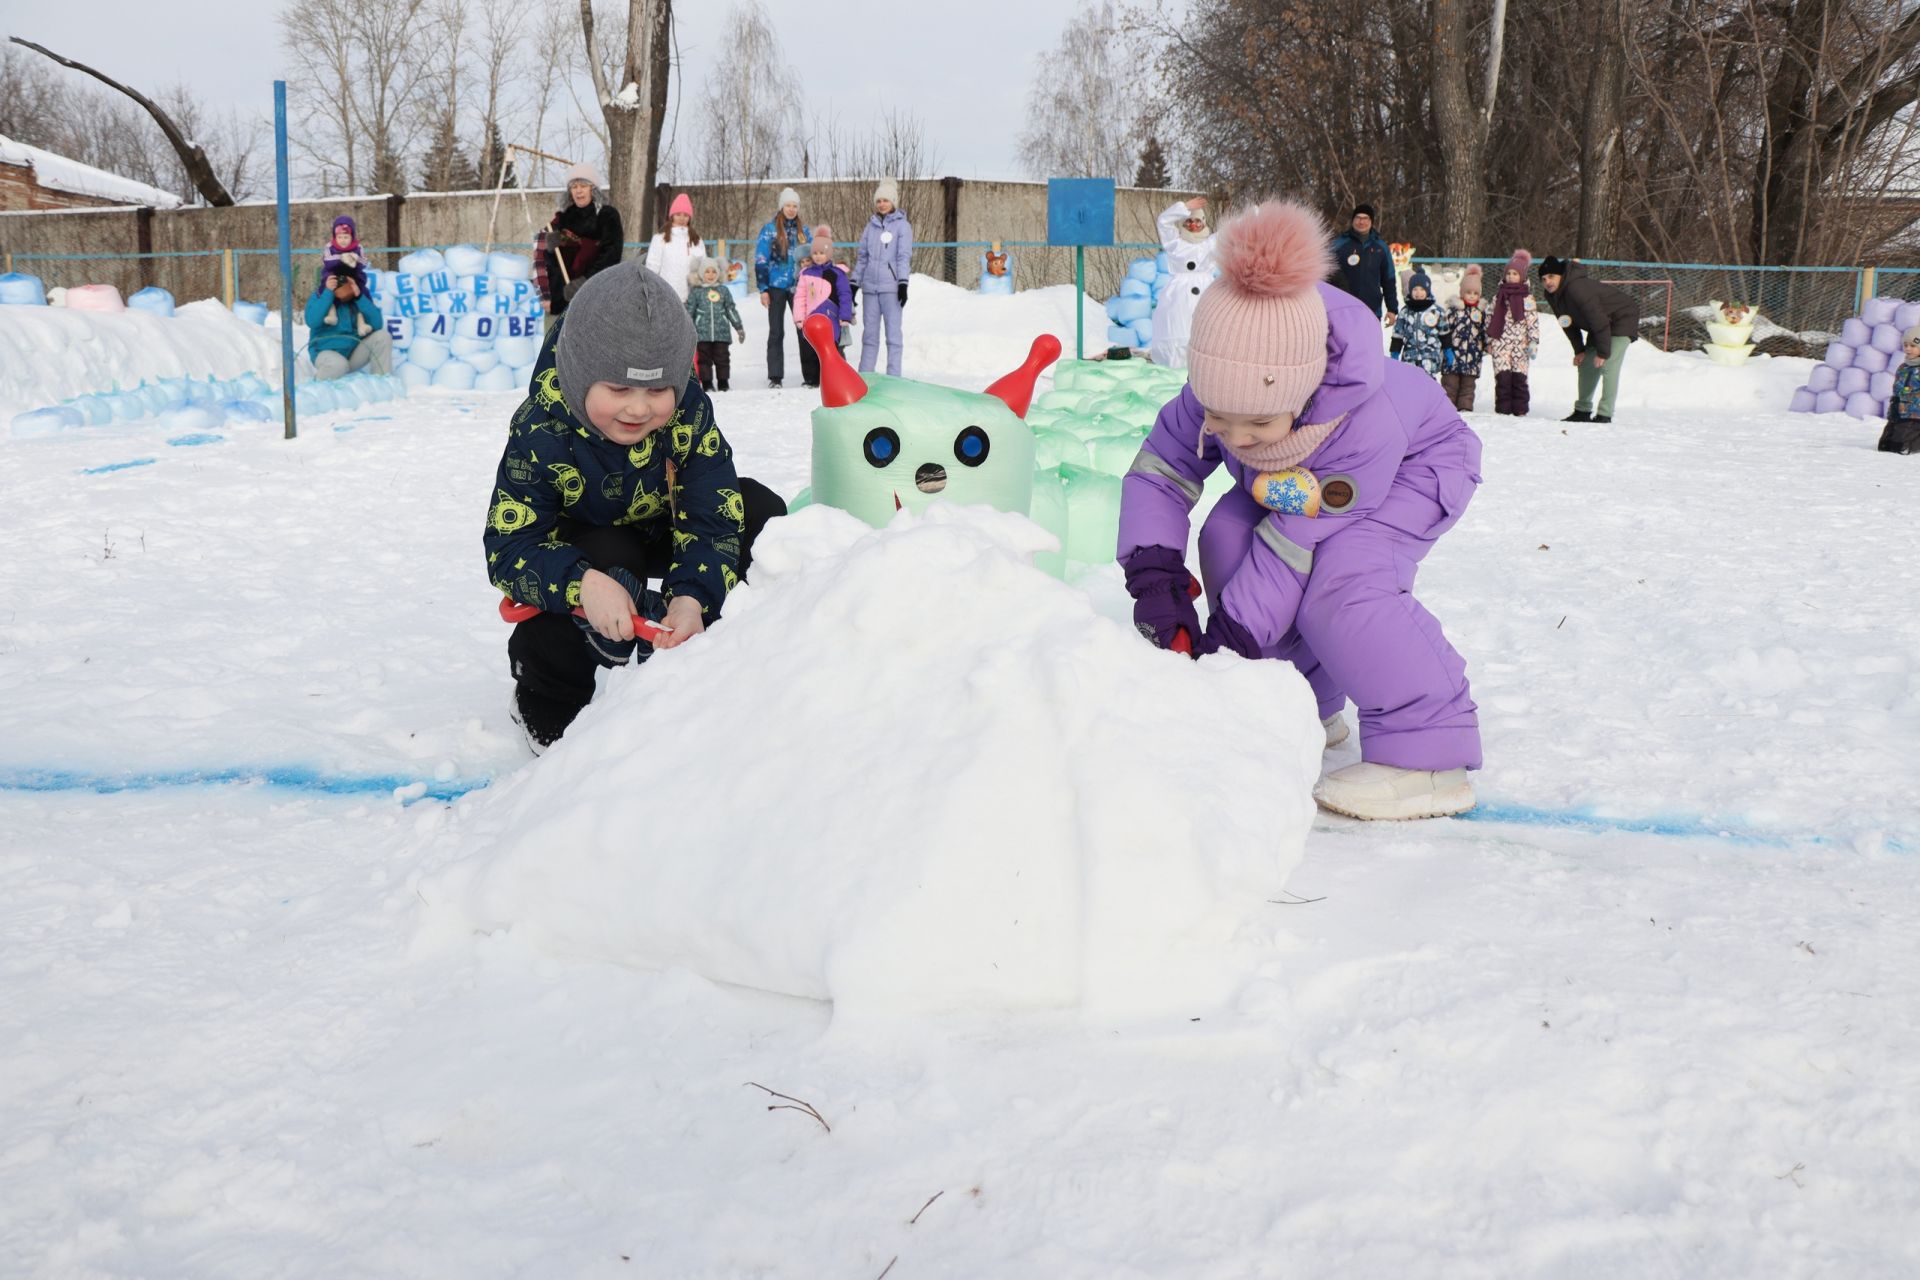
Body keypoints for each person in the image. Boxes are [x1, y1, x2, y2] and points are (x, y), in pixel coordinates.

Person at [1117, 199, 1482, 820]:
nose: (1234, 437)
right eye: (1218, 418)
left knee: (1344, 578)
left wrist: (1230, 643)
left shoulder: (1359, 415)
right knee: (1229, 535)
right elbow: (1162, 467)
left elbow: (1294, 539)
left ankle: (1429, 751)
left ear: (1300, 390)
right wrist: (1154, 574)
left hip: (1409, 468)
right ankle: (1301, 701)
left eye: (1257, 422)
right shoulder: (1224, 387)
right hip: (1291, 485)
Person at [486, 261, 788, 753]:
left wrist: (693, 594)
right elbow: (510, 545)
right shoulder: (541, 428)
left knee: (756, 507)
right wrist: (582, 585)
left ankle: (738, 658)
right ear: (580, 374)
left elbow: (713, 512)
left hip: (663, 524)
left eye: (656, 389)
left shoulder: (687, 408)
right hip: (589, 547)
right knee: (611, 553)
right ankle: (548, 691)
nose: (638, 408)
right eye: (619, 388)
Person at [1539, 256, 1639, 422]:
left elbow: (1599, 320)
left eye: (1551, 277)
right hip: (1601, 324)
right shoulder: (1553, 295)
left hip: (1622, 317)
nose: (1547, 282)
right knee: (1586, 364)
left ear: (1561, 276)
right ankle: (1582, 411)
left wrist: (1603, 352)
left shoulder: (1576, 288)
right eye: (1543, 279)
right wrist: (1579, 351)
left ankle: (1605, 414)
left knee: (1608, 363)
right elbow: (1567, 323)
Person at [542, 162, 624, 327]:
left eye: (583, 185)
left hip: (598, 295)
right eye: (574, 186)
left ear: (592, 189)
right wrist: (551, 250)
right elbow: (554, 265)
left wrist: (585, 282)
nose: (578, 190)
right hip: (567, 299)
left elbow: (611, 254)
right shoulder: (563, 219)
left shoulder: (607, 215)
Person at [854, 178, 913, 377]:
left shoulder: (902, 226)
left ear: (893, 202)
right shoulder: (870, 227)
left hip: (891, 289)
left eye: (886, 200)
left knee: (893, 336)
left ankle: (893, 378)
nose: (882, 204)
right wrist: (855, 283)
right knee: (869, 336)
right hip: (870, 289)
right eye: (879, 201)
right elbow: (862, 257)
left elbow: (903, 256)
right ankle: (865, 377)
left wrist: (903, 283)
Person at [1149, 196, 1216, 367]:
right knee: (1178, 326)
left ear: (1203, 223)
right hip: (1178, 294)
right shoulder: (1175, 244)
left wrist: (1257, 214)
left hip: (1206, 291)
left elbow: (1236, 228)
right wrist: (1184, 207)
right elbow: (1164, 221)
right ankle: (1175, 364)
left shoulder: (1211, 243)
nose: (1193, 225)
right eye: (1189, 222)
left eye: (1197, 221)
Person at [754, 187, 811, 388]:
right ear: (782, 206)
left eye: (795, 206)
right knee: (776, 331)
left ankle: (811, 376)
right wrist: (763, 288)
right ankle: (775, 377)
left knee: (804, 330)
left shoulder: (804, 231)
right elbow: (761, 259)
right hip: (776, 286)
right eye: (788, 205)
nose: (791, 209)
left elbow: (812, 256)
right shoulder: (769, 229)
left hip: (799, 287)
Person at [303, 268, 391, 379]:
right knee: (338, 364)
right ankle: (319, 389)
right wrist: (328, 292)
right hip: (325, 353)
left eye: (346, 280)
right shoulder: (320, 296)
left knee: (382, 337)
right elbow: (312, 321)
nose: (342, 283)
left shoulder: (358, 300)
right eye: (338, 280)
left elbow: (377, 324)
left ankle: (382, 384)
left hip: (352, 354)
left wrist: (359, 296)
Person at [794, 226, 854, 387]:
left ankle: (837, 378)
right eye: (815, 253)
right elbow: (800, 297)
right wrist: (799, 318)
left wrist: (845, 316)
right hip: (811, 319)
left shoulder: (837, 273)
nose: (818, 256)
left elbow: (845, 295)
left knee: (833, 350)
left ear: (828, 254)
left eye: (822, 253)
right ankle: (812, 380)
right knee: (810, 350)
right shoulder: (806, 274)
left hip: (832, 319)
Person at [1486, 250, 1540, 416]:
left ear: (1522, 276)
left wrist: (1533, 341)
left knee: (1519, 378)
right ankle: (1503, 410)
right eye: (1508, 273)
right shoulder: (1498, 297)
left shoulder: (1527, 299)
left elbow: (1532, 322)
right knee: (1502, 378)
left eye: (1515, 274)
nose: (1510, 276)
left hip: (1521, 345)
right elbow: (1489, 318)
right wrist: (1488, 340)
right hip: (1500, 343)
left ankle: (1520, 409)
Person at [1329, 203, 1398, 331]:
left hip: (1371, 309)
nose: (1361, 222)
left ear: (1371, 222)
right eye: (1358, 218)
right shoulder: (1338, 245)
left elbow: (1388, 280)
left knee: (1368, 348)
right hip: (1343, 309)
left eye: (1365, 218)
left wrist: (1392, 308)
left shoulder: (1381, 247)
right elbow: (1326, 275)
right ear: (1353, 220)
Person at [685, 256, 745, 393]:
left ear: (718, 273)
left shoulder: (723, 291)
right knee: (704, 360)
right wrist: (687, 330)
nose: (711, 275)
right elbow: (689, 312)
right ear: (701, 274)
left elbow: (731, 309)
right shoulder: (696, 292)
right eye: (707, 272)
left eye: (713, 271)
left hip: (721, 333)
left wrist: (739, 327)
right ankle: (707, 384)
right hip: (702, 334)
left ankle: (723, 383)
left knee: (722, 359)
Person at [1440, 263, 1489, 412]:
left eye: (1475, 293)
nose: (1472, 296)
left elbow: (1484, 331)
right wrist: (1445, 347)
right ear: (1462, 293)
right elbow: (1445, 329)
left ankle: (1465, 408)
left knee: (1468, 386)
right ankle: (1447, 408)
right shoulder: (1454, 311)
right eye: (1469, 293)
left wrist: (1487, 345)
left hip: (1472, 357)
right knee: (1450, 384)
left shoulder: (1481, 313)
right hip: (1453, 356)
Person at [644, 192, 702, 302]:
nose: (682, 218)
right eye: (678, 214)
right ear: (672, 216)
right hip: (666, 296)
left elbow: (703, 267)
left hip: (691, 298)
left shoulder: (696, 240)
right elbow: (652, 267)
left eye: (685, 215)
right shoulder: (659, 239)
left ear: (689, 218)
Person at [1391, 268, 1445, 379]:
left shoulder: (1436, 311)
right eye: (1415, 289)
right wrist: (1395, 352)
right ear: (1410, 290)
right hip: (1410, 357)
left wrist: (1447, 350)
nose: (1418, 293)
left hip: (1430, 358)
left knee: (1428, 387)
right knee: (1410, 387)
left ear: (1428, 290)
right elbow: (1398, 334)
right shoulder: (1405, 311)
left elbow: (1445, 333)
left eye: (1422, 289)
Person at [1879, 325, 1920, 454]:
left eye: (1913, 346)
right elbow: (1897, 388)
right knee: (1884, 446)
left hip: (1915, 415)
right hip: (1899, 412)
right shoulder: (1903, 367)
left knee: (1900, 448)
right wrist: (1895, 405)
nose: (1908, 349)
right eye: (1906, 345)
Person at [320, 215, 369, 296]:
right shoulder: (329, 246)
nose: (342, 240)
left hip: (352, 273)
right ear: (335, 237)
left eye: (346, 237)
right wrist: (342, 258)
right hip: (334, 272)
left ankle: (361, 297)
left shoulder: (358, 247)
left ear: (351, 237)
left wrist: (356, 258)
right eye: (339, 237)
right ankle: (326, 299)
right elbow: (327, 261)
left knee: (362, 280)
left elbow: (364, 262)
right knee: (326, 279)